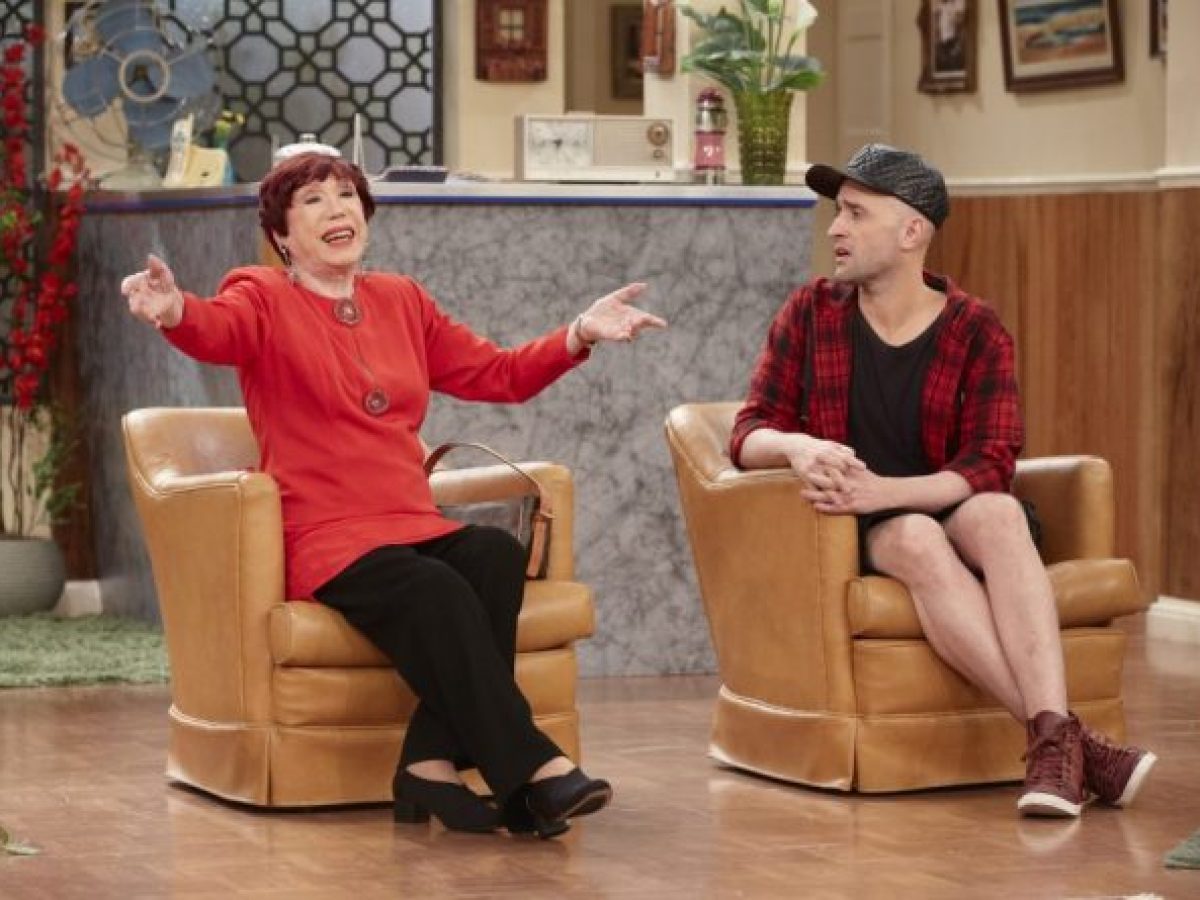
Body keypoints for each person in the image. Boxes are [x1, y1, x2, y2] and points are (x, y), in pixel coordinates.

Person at [120, 151, 666, 838]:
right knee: (437, 591)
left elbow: (498, 374)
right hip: (328, 537)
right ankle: (534, 771)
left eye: (347, 195)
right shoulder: (260, 296)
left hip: (411, 521)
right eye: (313, 200)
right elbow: (215, 328)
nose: (337, 209)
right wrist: (173, 310)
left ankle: (427, 764)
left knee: (495, 554)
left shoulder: (402, 300)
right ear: (282, 235)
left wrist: (578, 332)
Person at [729, 143, 1155, 818]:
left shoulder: (976, 328)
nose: (835, 229)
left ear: (911, 232)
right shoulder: (810, 313)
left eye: (855, 214)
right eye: (838, 212)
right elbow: (748, 432)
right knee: (915, 538)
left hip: (940, 501)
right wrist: (798, 446)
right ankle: (1061, 740)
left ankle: (1058, 744)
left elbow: (991, 462)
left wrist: (889, 490)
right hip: (866, 526)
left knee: (1001, 512)